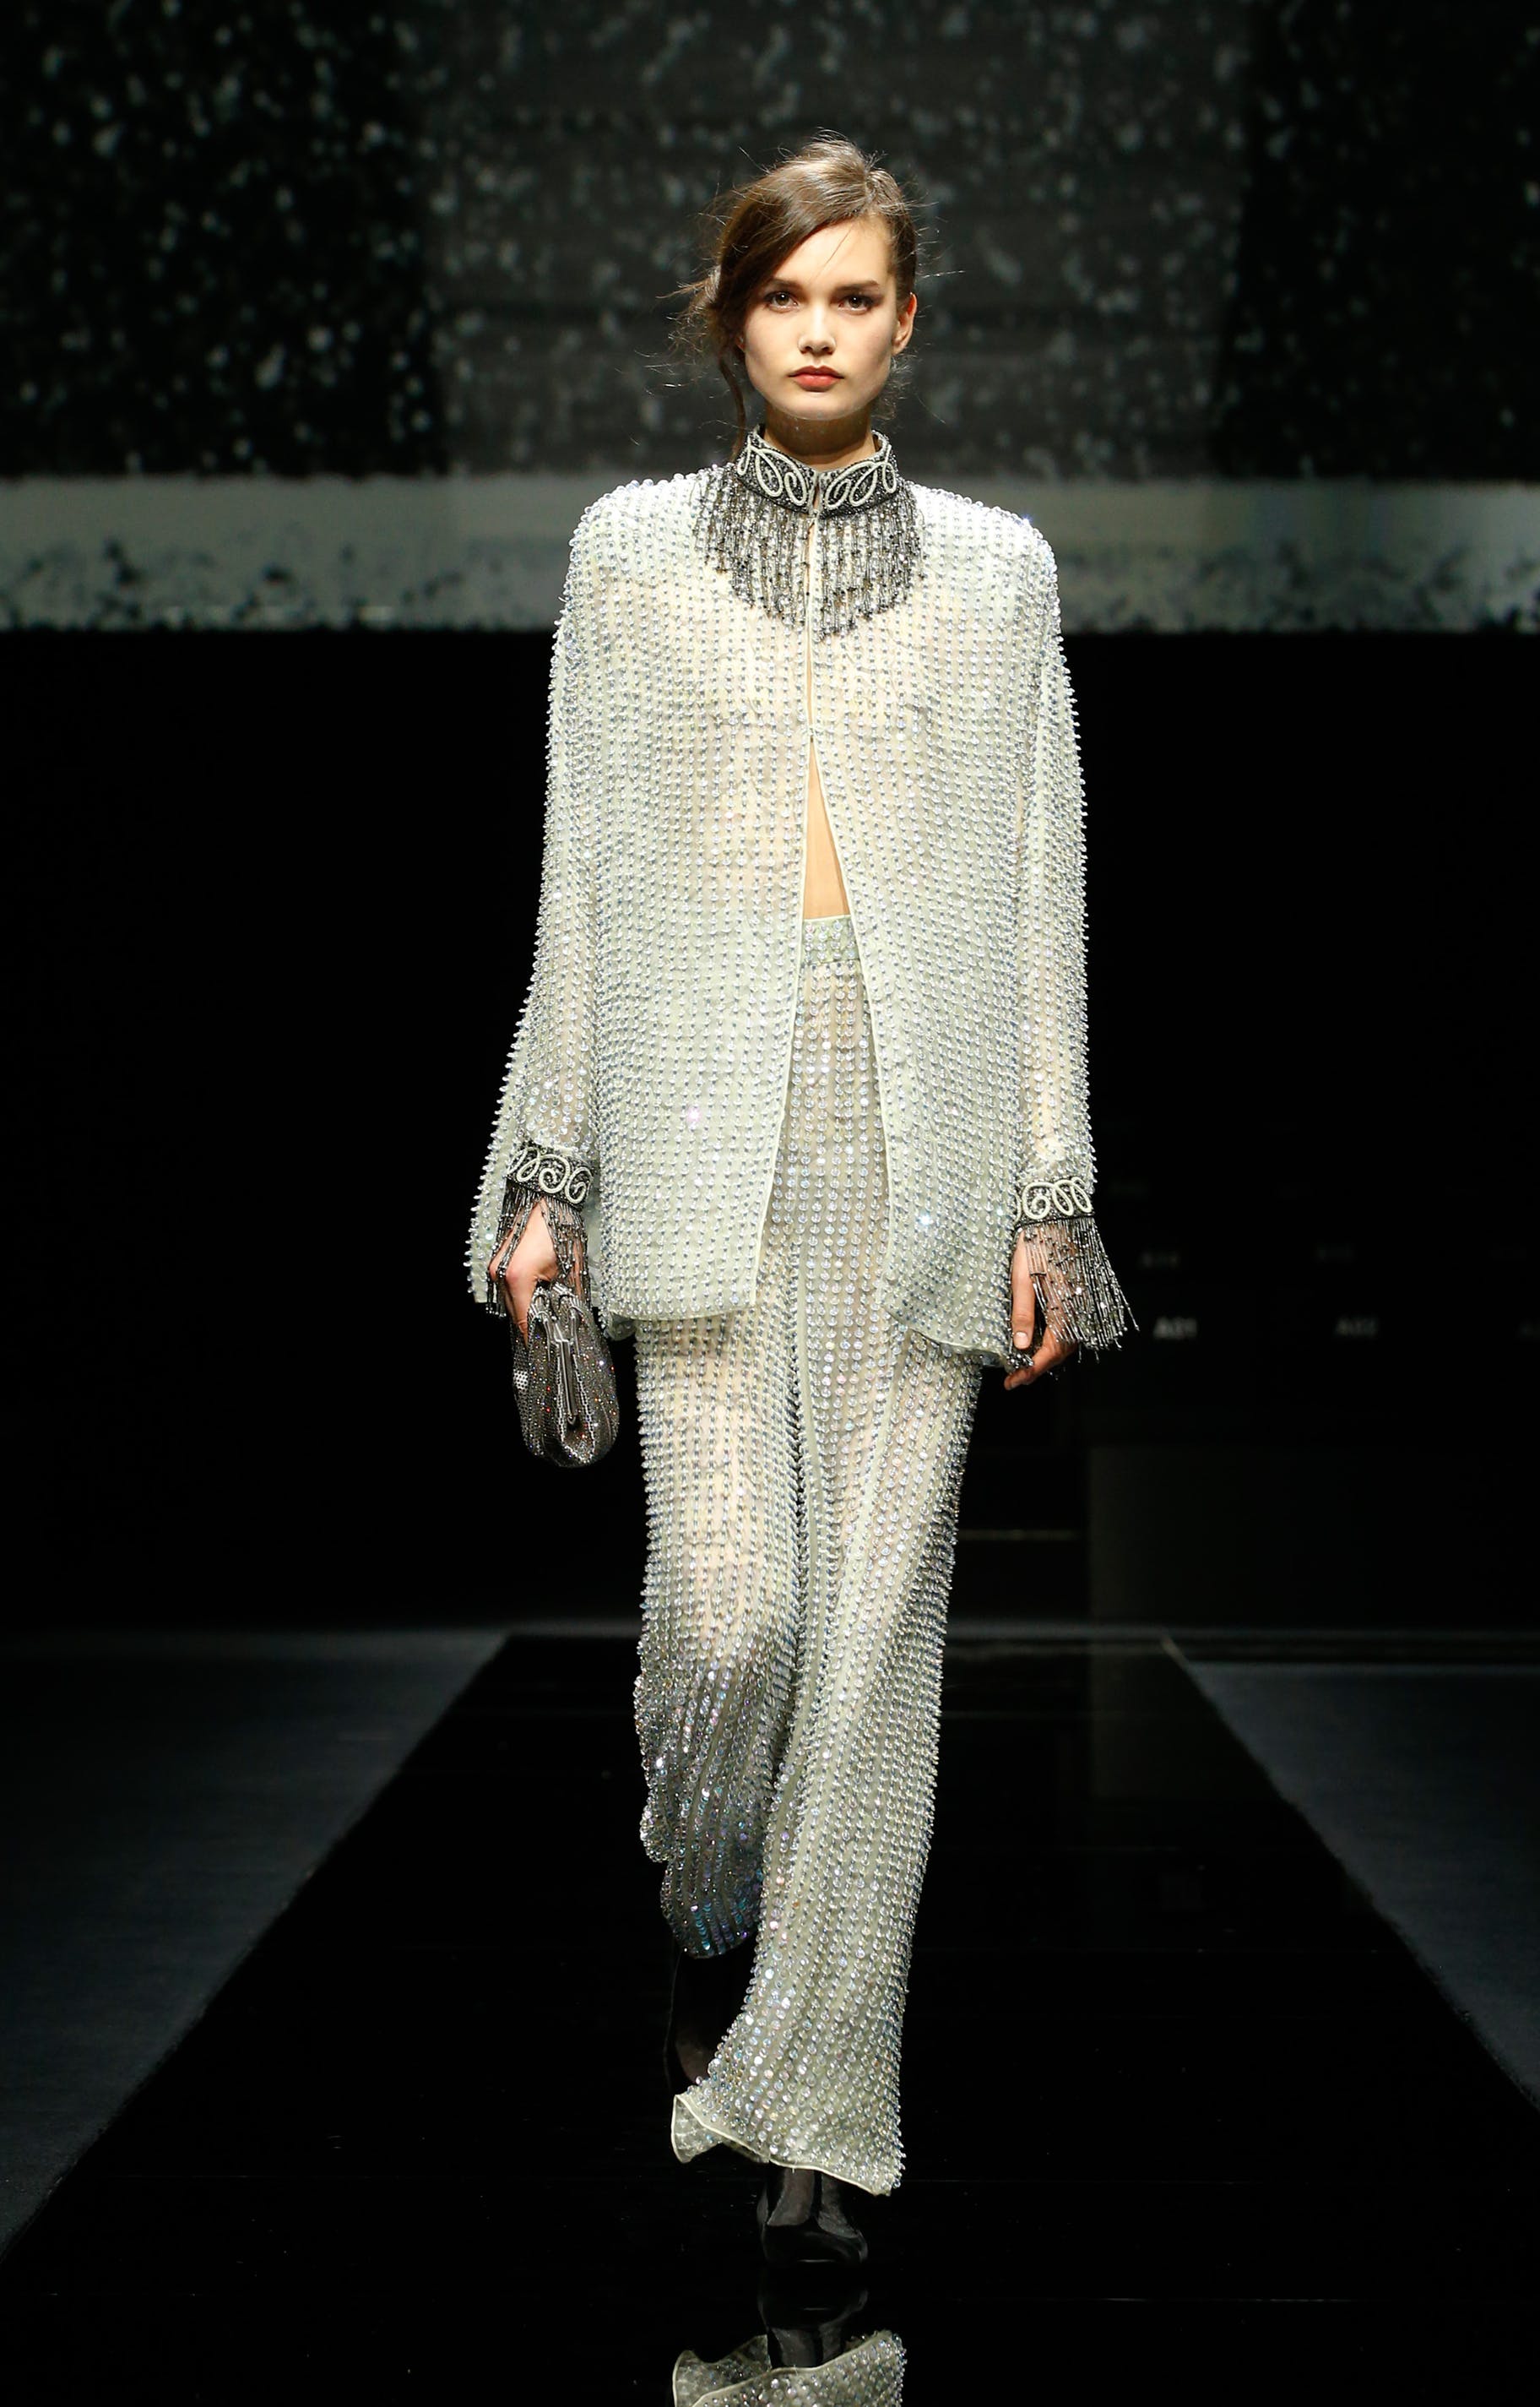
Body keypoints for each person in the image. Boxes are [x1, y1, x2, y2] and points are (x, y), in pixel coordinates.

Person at [469, 134, 1133, 2268]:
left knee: (872, 1657)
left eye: (855, 297)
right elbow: (580, 873)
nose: (819, 331)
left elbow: (1041, 892)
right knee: (733, 1619)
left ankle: (815, 2116)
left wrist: (1047, 1193)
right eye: (784, 296)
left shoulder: (1000, 572)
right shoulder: (628, 557)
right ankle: (706, 1898)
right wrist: (544, 1167)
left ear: (905, 322)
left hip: (925, 1141)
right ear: (731, 316)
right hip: (692, 1131)